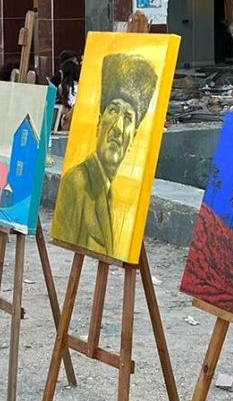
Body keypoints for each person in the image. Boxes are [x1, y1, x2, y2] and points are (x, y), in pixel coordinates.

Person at [51, 50, 160, 257]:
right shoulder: (78, 182)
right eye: (113, 111)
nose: (118, 127)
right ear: (99, 122)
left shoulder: (115, 188)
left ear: (133, 136)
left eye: (128, 118)